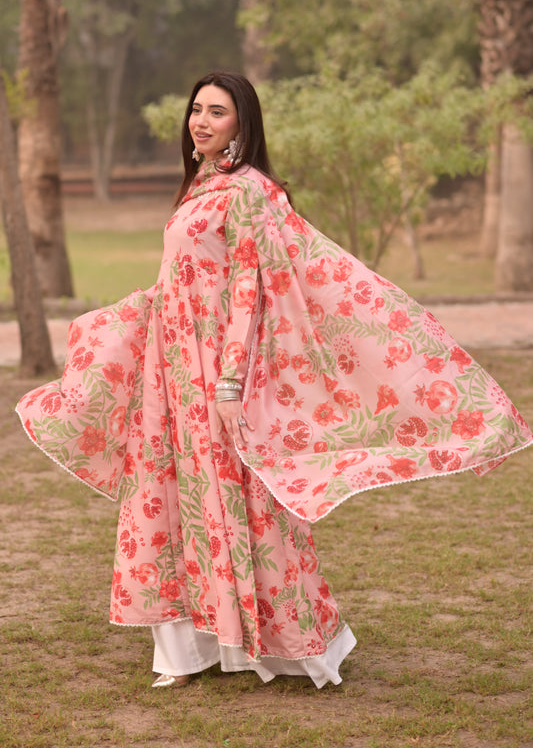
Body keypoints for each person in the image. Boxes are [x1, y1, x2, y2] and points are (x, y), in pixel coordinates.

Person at [16, 71, 533, 690]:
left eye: (217, 113)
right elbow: (188, 278)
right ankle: (190, 646)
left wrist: (231, 386)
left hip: (216, 372)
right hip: (175, 368)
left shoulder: (251, 192)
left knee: (243, 495)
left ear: (243, 124)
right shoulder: (206, 185)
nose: (201, 122)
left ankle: (292, 640)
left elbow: (249, 293)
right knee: (184, 497)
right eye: (196, 110)